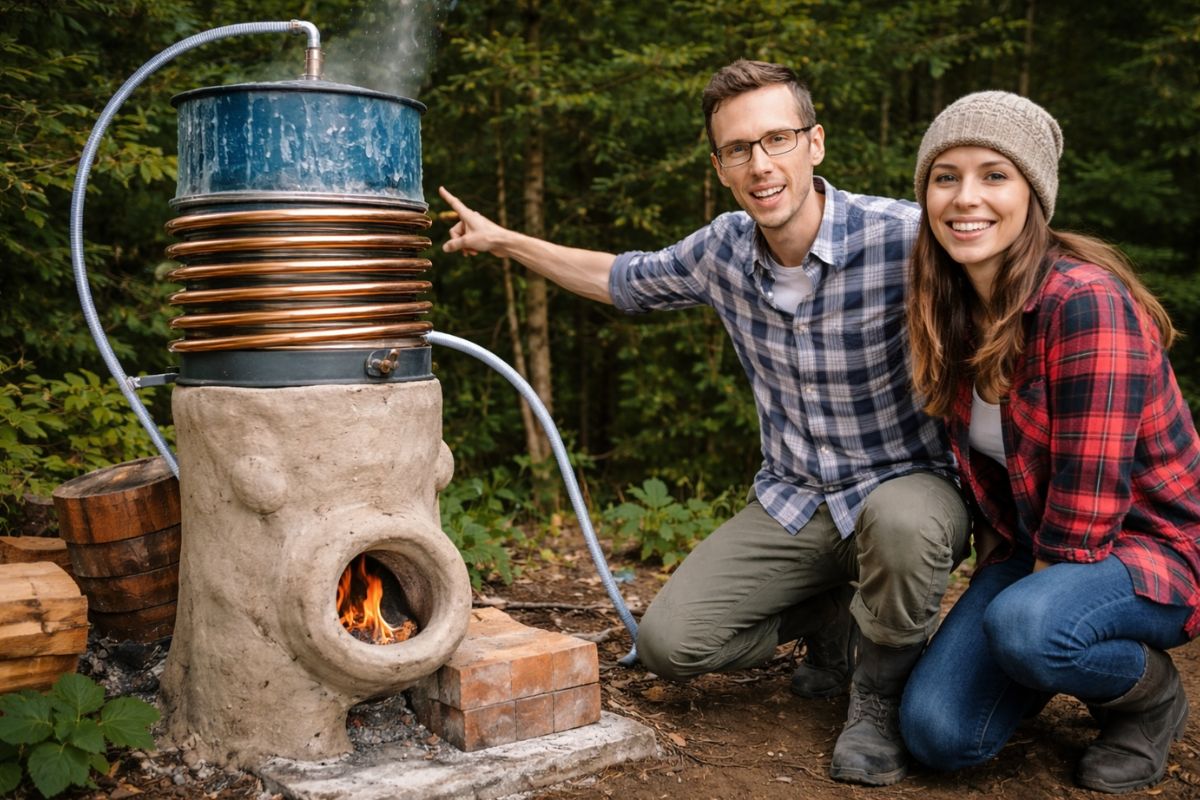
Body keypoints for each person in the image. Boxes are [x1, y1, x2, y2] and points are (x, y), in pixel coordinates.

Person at [439, 59, 970, 786]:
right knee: (670, 645)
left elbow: (1011, 277)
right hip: (795, 501)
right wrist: (503, 241)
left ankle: (877, 699)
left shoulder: (906, 237)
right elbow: (619, 279)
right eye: (738, 149)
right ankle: (830, 617)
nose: (761, 164)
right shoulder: (723, 250)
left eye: (777, 139)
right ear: (720, 167)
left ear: (815, 143)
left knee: (903, 525)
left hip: (907, 490)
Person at [899, 90, 1200, 794]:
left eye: (994, 176)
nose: (965, 197)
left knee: (1028, 629)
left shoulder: (1083, 300)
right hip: (1038, 547)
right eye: (945, 177)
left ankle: (1148, 699)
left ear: (1033, 195)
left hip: (1150, 550)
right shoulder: (953, 307)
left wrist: (1022, 630)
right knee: (938, 734)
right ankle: (1041, 638)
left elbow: (1090, 497)